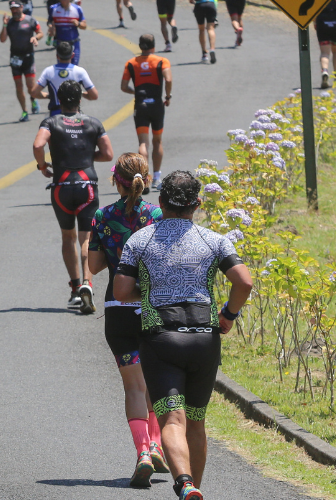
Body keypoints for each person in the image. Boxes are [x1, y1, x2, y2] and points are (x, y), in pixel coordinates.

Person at [113, 171, 253, 500]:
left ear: (160, 203)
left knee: (172, 421)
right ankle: (195, 488)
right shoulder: (214, 240)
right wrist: (228, 315)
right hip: (205, 337)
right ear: (197, 204)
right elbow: (244, 282)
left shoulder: (140, 239)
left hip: (162, 338)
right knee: (196, 420)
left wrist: (148, 292)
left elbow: (121, 291)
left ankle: (185, 483)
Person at [86, 153, 168, 488]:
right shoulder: (158, 216)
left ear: (115, 181)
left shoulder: (103, 216)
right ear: (145, 179)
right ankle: (156, 443)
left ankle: (143, 454)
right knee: (156, 382)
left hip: (119, 308)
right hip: (153, 307)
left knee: (134, 386)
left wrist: (115, 251)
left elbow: (92, 267)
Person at [32, 81, 113, 312]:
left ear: (58, 99)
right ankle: (88, 283)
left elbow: (38, 144)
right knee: (86, 239)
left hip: (62, 185)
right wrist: (87, 156)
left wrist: (42, 165)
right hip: (87, 185)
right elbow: (108, 154)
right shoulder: (93, 123)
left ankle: (75, 288)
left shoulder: (51, 122)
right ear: (80, 99)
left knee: (68, 237)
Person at [120, 34, 172, 193]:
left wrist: (135, 92)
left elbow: (123, 86)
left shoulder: (131, 63)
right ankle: (157, 177)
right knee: (157, 140)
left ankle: (145, 178)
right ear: (153, 46)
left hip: (141, 105)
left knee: (143, 143)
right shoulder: (162, 61)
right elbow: (168, 79)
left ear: (140, 46)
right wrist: (167, 96)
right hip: (156, 104)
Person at [0, 0, 43, 120]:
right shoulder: (9, 23)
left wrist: (36, 38)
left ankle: (33, 99)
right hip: (15, 59)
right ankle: (24, 111)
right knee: (18, 86)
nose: (15, 11)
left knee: (31, 86)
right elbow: (2, 39)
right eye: (12, 9)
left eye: (17, 8)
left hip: (28, 57)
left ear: (21, 7)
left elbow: (40, 32)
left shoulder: (30, 20)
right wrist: (4, 24)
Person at [32, 41, 98, 115]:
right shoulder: (80, 72)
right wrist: (79, 93)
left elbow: (34, 93)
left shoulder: (48, 71)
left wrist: (49, 95)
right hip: (74, 115)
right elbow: (94, 95)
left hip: (56, 115)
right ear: (72, 55)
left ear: (57, 56)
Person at [184, 0, 225, 64]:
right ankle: (212, 49)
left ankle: (204, 53)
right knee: (210, 28)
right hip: (210, 4)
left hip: (199, 4)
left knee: (201, 30)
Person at [47, 0, 87, 65]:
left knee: (74, 67)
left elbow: (84, 25)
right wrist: (51, 27)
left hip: (74, 43)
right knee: (62, 67)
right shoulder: (53, 8)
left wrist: (78, 24)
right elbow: (49, 21)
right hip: (60, 43)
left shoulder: (77, 9)